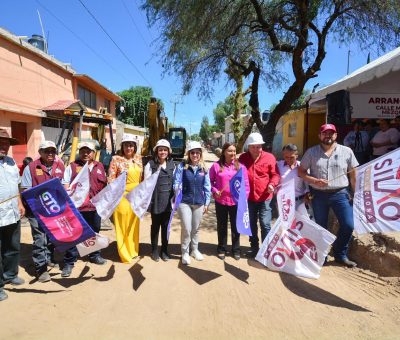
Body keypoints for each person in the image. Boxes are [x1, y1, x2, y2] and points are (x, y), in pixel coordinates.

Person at [298, 123, 359, 268]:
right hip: (318, 195)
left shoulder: (347, 151)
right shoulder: (311, 152)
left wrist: (354, 193)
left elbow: (353, 173)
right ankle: (322, 255)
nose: (328, 136)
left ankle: (340, 254)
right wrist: (314, 181)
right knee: (321, 227)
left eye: (331, 133)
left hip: (341, 194)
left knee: (348, 225)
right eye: (325, 133)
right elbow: (301, 172)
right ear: (320, 135)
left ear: (336, 135)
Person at [61, 142, 108, 277]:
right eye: (83, 151)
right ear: (79, 152)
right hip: (77, 208)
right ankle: (69, 262)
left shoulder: (100, 167)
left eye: (89, 151)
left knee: (95, 232)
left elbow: (104, 186)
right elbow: (65, 184)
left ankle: (94, 255)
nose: (86, 154)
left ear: (94, 153)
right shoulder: (72, 167)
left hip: (95, 207)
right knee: (74, 234)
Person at [21, 141, 65, 282]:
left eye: (53, 150)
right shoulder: (31, 167)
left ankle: (50, 259)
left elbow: (64, 186)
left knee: (52, 236)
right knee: (40, 239)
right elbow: (25, 190)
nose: (50, 153)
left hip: (54, 209)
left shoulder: (60, 166)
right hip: (37, 211)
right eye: (47, 151)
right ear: (40, 153)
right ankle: (41, 269)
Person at [238, 132, 280, 258]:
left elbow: (275, 174)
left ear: (262, 146)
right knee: (251, 222)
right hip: (249, 198)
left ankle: (267, 249)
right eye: (253, 146)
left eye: (258, 146)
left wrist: (272, 184)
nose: (256, 149)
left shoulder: (270, 157)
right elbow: (237, 175)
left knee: (265, 223)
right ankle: (254, 247)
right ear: (248, 147)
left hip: (265, 197)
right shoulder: (243, 159)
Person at [209, 142, 249, 260]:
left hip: (236, 202)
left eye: (234, 151)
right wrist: (214, 190)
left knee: (236, 226)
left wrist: (243, 199)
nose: (233, 153)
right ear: (224, 152)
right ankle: (221, 248)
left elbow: (246, 185)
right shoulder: (216, 166)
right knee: (222, 226)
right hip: (221, 201)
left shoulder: (241, 167)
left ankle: (236, 249)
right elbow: (209, 182)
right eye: (230, 151)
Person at [173, 141, 211, 265]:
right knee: (187, 228)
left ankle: (194, 250)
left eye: (197, 153)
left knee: (195, 228)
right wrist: (177, 190)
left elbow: (207, 186)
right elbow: (176, 182)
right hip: (184, 202)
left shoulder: (203, 168)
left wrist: (207, 202)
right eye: (193, 153)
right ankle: (185, 252)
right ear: (189, 154)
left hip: (199, 203)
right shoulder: (182, 166)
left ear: (200, 154)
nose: (195, 155)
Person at [108, 135, 142, 263]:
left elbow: (142, 178)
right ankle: (124, 253)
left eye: (131, 145)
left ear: (135, 147)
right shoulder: (116, 159)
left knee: (134, 224)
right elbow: (111, 179)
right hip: (121, 195)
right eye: (126, 145)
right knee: (122, 224)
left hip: (137, 196)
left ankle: (133, 250)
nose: (129, 147)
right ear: (122, 146)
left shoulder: (139, 159)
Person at [0, 129, 25, 301]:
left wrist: (20, 203)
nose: (4, 146)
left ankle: (10, 274)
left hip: (12, 212)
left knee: (12, 246)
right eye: (0, 143)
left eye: (6, 143)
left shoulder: (11, 162)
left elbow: (17, 185)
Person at [144, 139, 175, 262]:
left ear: (168, 152)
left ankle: (165, 250)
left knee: (166, 227)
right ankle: (154, 250)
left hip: (169, 202)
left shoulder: (173, 165)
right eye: (160, 149)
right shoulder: (150, 164)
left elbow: (176, 182)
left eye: (165, 150)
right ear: (156, 151)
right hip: (156, 200)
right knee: (155, 226)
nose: (162, 152)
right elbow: (146, 184)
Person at [277, 144, 312, 215]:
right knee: (286, 226)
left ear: (296, 155)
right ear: (283, 155)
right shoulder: (278, 165)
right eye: (286, 157)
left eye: (292, 157)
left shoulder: (302, 166)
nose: (289, 159)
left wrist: (308, 195)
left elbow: (307, 184)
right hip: (284, 203)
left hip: (300, 202)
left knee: (301, 225)